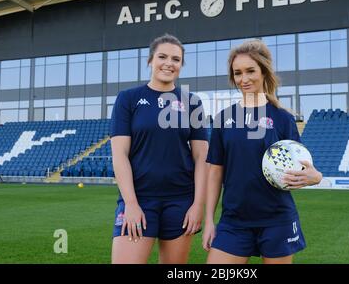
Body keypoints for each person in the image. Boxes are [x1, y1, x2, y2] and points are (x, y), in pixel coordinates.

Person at [202, 39, 322, 264]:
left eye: (250, 71)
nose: (243, 79)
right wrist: (209, 220)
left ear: (264, 72)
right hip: (233, 221)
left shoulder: (283, 118)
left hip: (277, 220)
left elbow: (305, 167)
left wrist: (316, 177)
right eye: (237, 73)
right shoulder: (223, 119)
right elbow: (215, 172)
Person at [110, 34, 209, 264]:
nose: (169, 63)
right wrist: (131, 204)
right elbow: (120, 155)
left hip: (180, 201)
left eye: (176, 59)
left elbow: (201, 156)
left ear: (181, 65)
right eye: (162, 56)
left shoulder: (192, 102)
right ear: (150, 60)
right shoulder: (128, 99)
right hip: (139, 198)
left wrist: (197, 205)